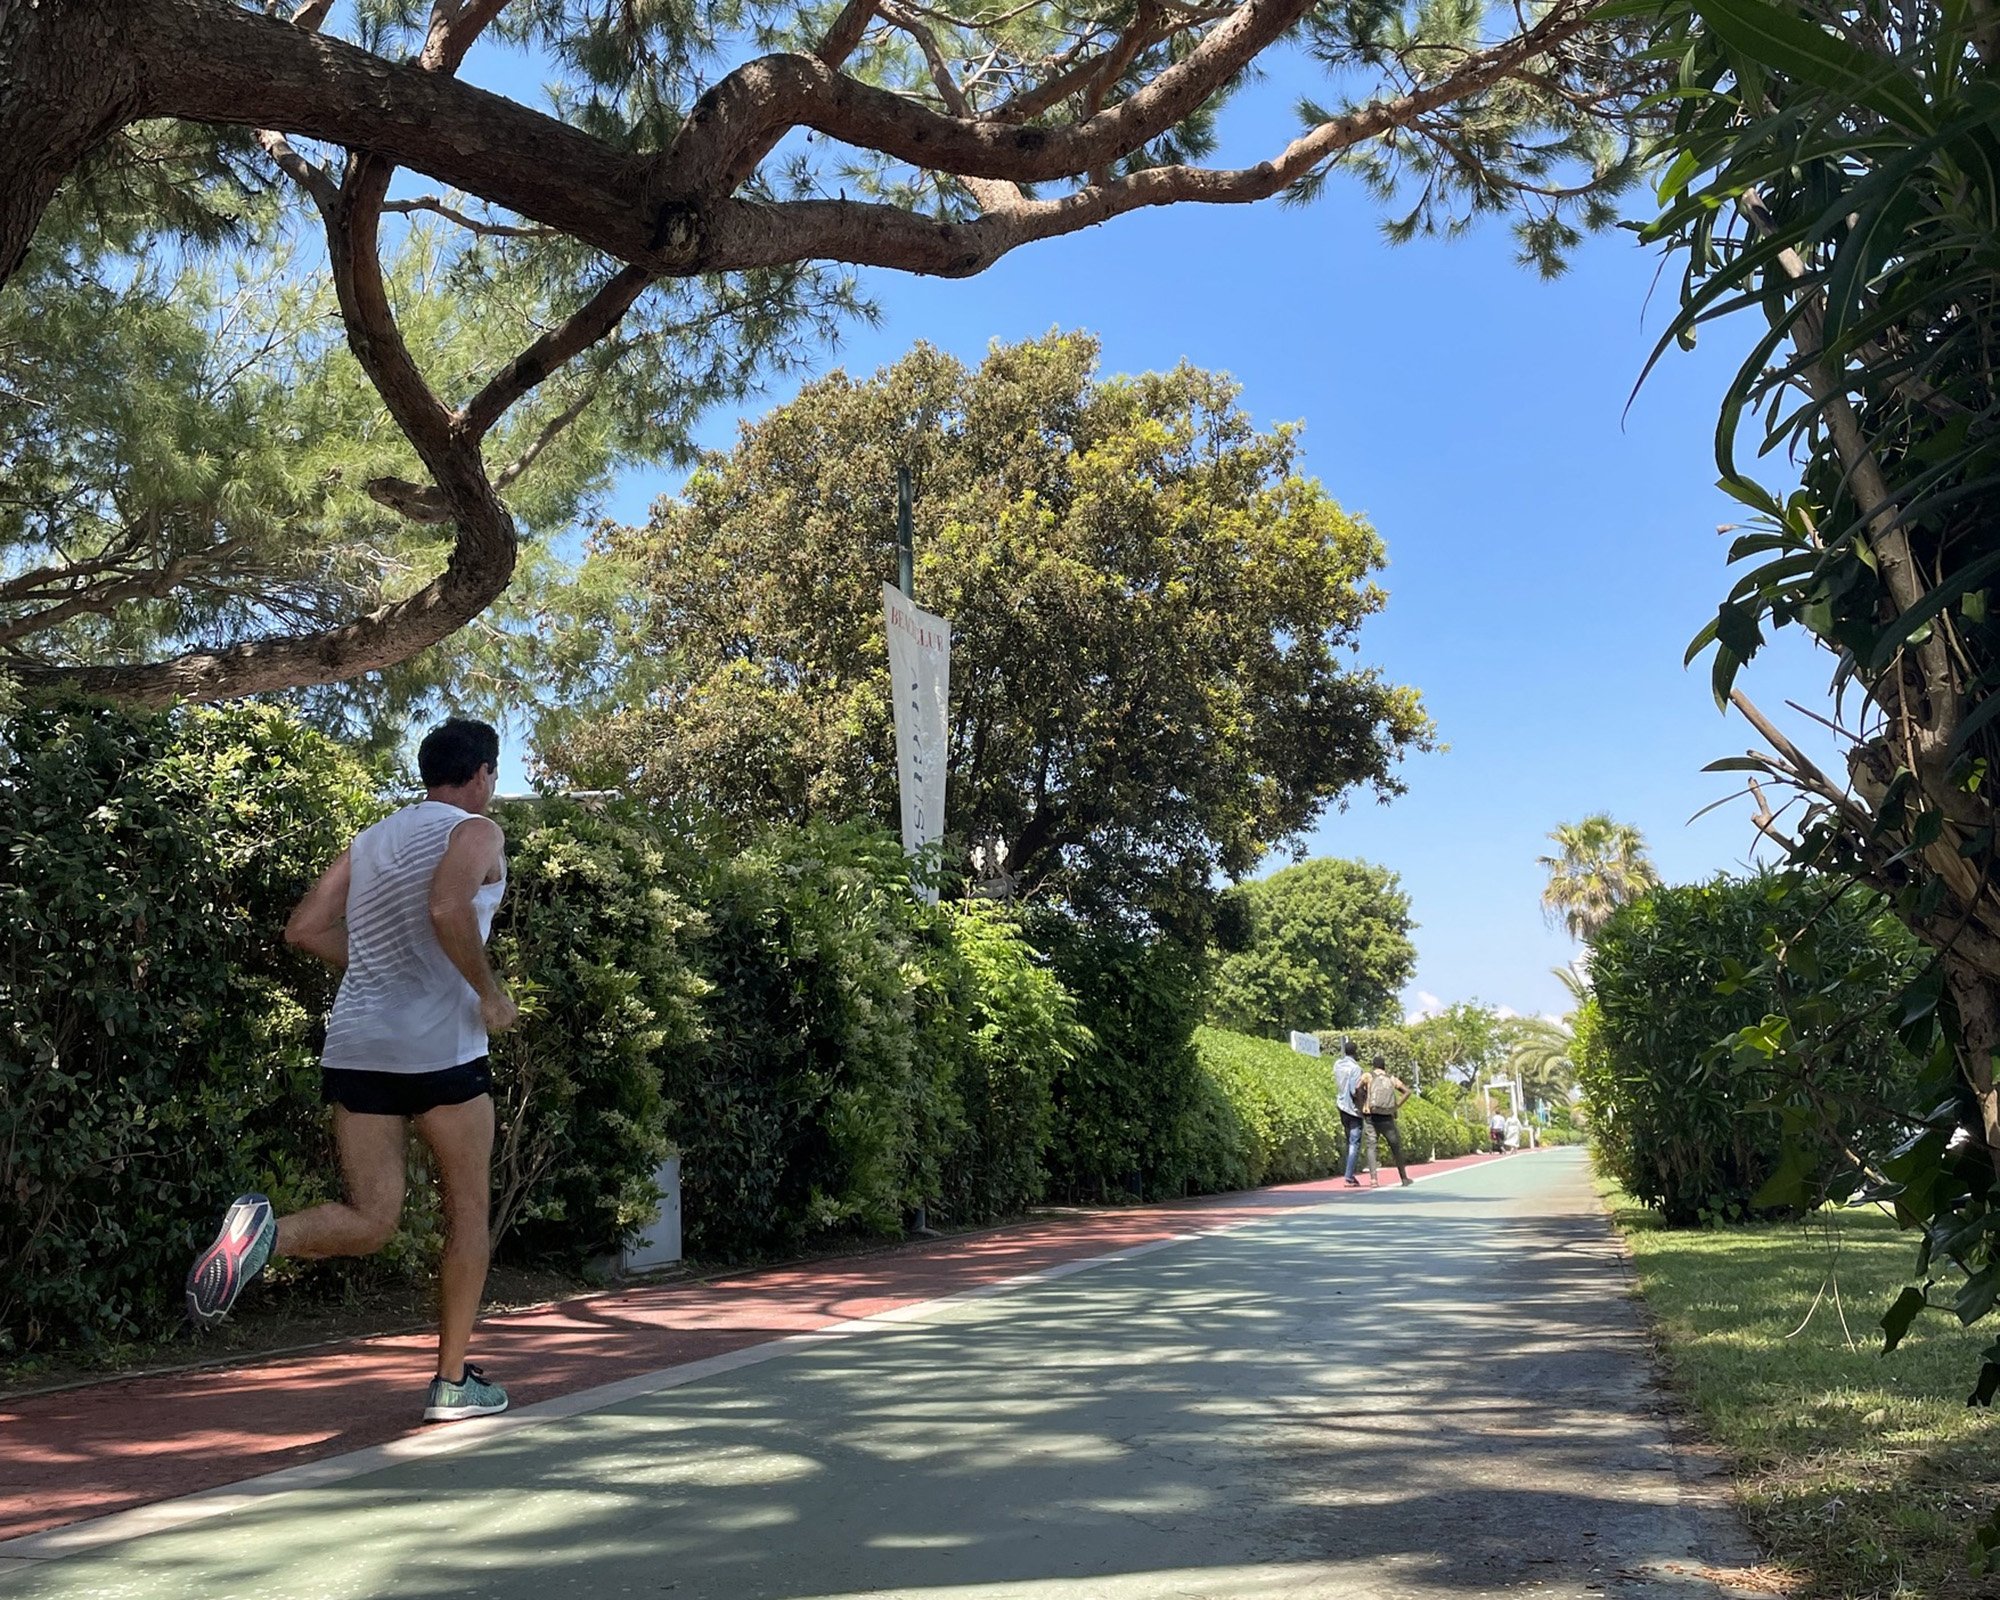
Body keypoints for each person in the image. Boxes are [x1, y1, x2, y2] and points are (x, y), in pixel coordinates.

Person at [184, 718, 521, 1423]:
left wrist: (376, 965)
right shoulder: (478, 832)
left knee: (372, 1217)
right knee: (467, 1213)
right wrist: (488, 992)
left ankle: (269, 1236)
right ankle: (453, 1383)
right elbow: (445, 905)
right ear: (483, 774)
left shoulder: (371, 841)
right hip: (442, 1052)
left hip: (358, 1046)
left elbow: (303, 928)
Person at [1361, 1055, 1415, 1188]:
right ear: (1384, 1066)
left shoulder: (1368, 1076)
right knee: (1395, 1146)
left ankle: (1374, 1179)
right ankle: (1404, 1177)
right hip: (1387, 1117)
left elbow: (1356, 1088)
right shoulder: (1391, 1078)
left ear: (1374, 1066)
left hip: (1371, 1116)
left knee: (1371, 1146)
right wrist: (1396, 1106)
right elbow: (1407, 1092)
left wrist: (1362, 1103)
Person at [1333, 1039, 1366, 1187]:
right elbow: (1354, 1090)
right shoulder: (1356, 1068)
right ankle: (1349, 1176)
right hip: (1353, 1110)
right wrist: (1362, 1104)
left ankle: (1349, 1172)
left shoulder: (1337, 1065)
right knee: (1354, 1143)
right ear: (1356, 1052)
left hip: (1341, 1105)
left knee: (1349, 1141)